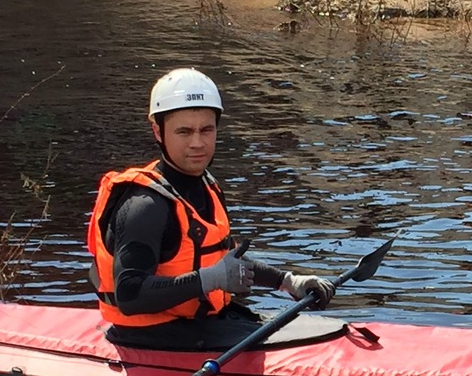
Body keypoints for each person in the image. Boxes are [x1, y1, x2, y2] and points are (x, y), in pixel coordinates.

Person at [87, 67, 336, 350]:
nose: (198, 143)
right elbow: (130, 296)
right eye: (184, 131)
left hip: (197, 327)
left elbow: (219, 262)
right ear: (158, 130)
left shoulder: (206, 185)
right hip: (149, 339)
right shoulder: (144, 206)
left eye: (207, 130)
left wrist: (288, 281)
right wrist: (211, 279)